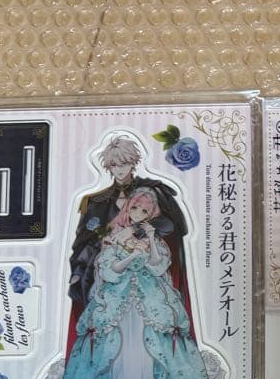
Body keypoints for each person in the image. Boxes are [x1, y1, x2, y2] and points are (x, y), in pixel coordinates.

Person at [55, 187, 216, 379]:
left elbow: (159, 267)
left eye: (145, 211)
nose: (139, 214)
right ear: (127, 209)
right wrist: (130, 258)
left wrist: (151, 241)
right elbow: (109, 270)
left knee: (152, 368)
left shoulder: (154, 239)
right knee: (109, 367)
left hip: (150, 308)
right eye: (135, 209)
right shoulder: (114, 236)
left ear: (152, 214)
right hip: (114, 309)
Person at [66, 134, 192, 357]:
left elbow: (173, 225)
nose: (120, 169)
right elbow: (83, 240)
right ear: (108, 166)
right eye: (114, 165)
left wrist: (136, 230)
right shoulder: (96, 201)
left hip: (147, 275)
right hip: (108, 274)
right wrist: (79, 270)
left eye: (124, 163)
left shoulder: (153, 191)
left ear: (133, 162)